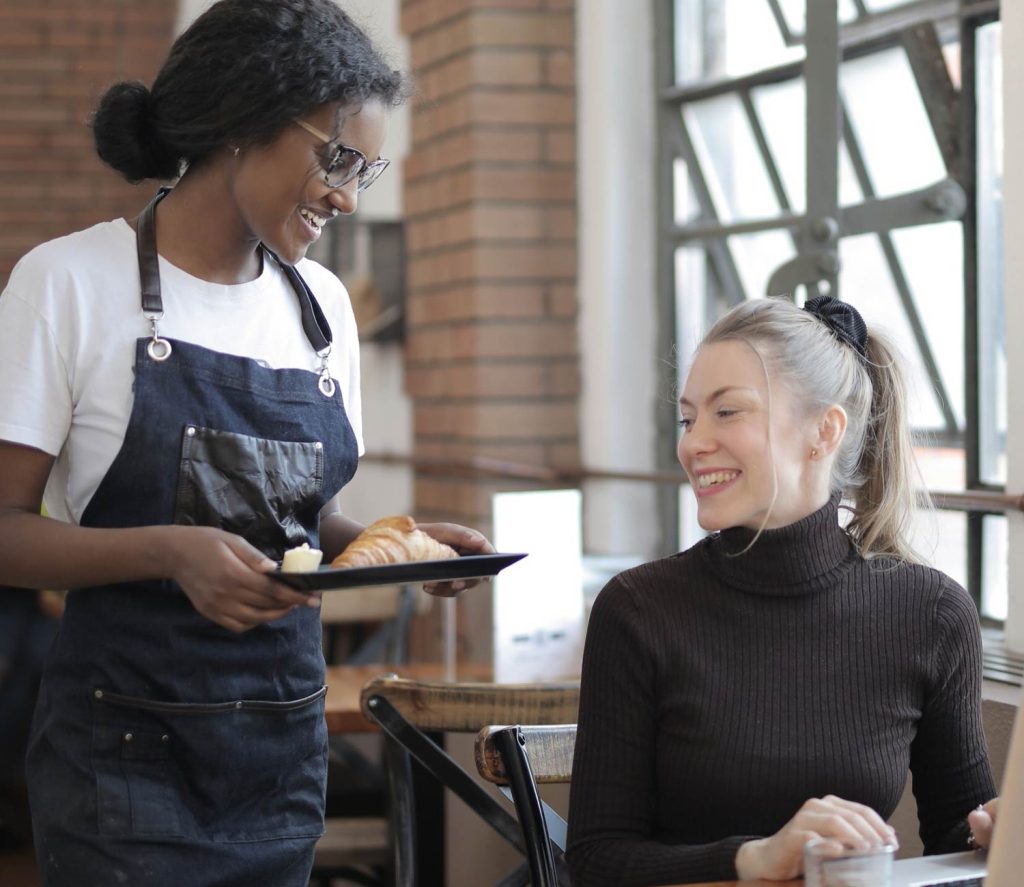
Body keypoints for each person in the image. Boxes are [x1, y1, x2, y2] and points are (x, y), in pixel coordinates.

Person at [0, 1, 491, 884]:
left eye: (366, 171)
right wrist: (170, 552)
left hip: (278, 753)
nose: (347, 194)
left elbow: (309, 517)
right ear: (243, 122)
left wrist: (399, 547)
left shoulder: (322, 309)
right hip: (123, 761)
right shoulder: (67, 284)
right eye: (337, 158)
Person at [566, 295, 999, 886]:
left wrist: (992, 835)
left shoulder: (933, 614)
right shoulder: (639, 610)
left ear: (824, 430)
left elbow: (956, 841)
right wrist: (754, 858)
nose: (692, 445)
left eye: (727, 413)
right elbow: (596, 859)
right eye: (689, 418)